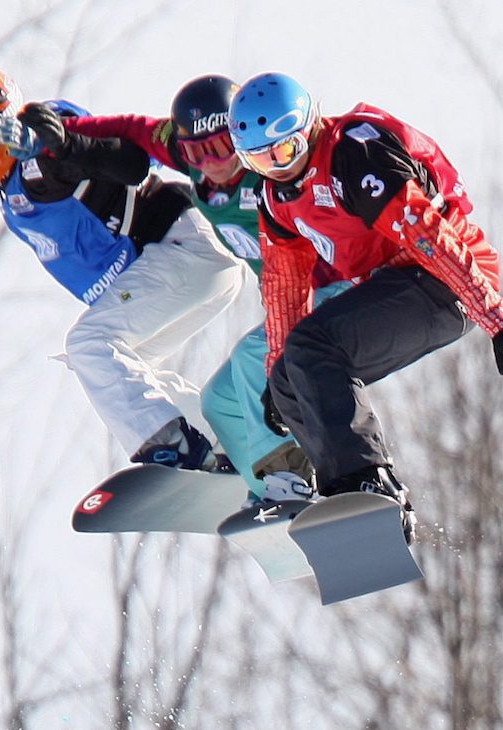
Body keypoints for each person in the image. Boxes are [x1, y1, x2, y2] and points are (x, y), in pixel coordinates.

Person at [227, 72, 503, 541]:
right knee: (292, 374)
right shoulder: (277, 198)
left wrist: (498, 320)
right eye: (259, 159)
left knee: (314, 344)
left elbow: (428, 236)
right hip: (398, 286)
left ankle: (370, 482)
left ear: (309, 128)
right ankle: (337, 490)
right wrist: (278, 376)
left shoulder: (353, 155)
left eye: (284, 151)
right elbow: (283, 287)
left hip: (445, 279)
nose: (278, 168)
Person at [0, 67, 245, 472]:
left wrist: (64, 145)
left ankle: (174, 446)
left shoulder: (44, 147)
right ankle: (231, 446)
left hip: (181, 246)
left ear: (9, 121)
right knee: (117, 368)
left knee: (91, 345)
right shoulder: (8, 178)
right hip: (183, 268)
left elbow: (129, 165)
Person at [61, 74, 354, 505]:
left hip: (335, 293)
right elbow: (131, 129)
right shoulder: (192, 163)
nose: (213, 162)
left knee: (253, 362)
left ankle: (295, 477)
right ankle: (264, 491)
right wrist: (59, 137)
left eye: (221, 147)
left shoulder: (273, 171)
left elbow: (328, 155)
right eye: (198, 152)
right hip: (290, 306)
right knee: (221, 402)